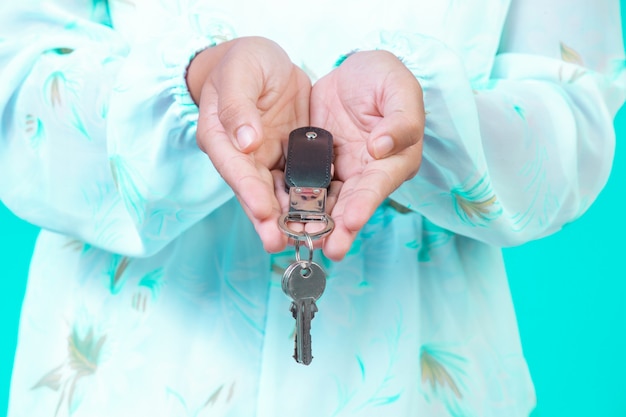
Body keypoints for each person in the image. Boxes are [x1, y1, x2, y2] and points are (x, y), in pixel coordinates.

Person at [0, 1, 624, 416]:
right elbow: (17, 89)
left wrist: (429, 120)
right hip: (120, 387)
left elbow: (573, 115)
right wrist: (199, 86)